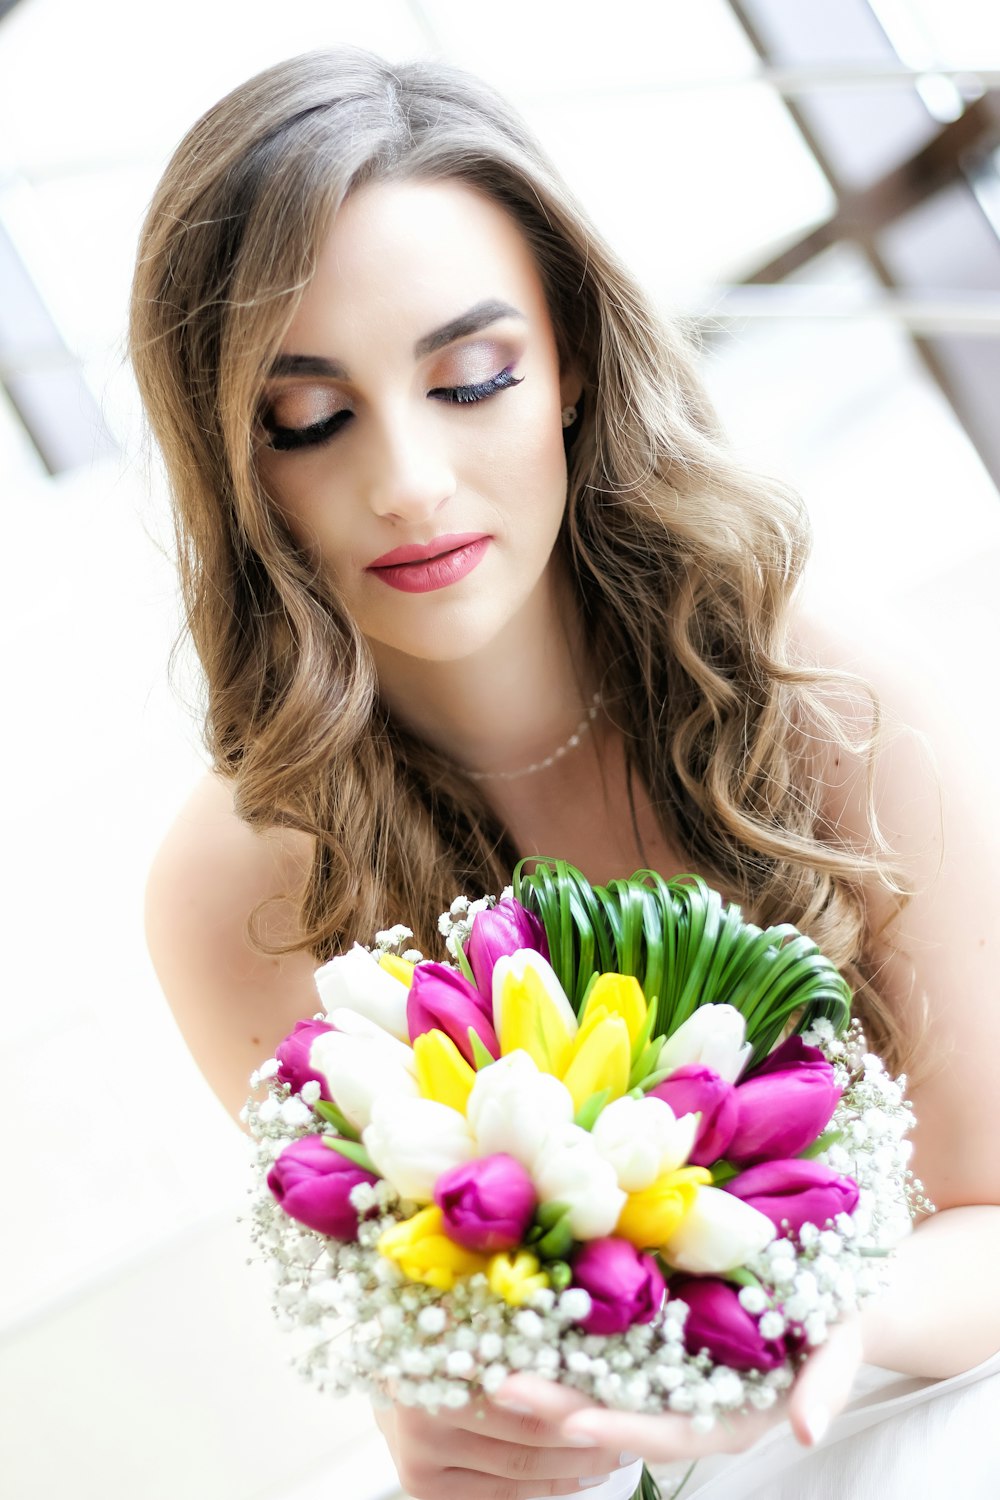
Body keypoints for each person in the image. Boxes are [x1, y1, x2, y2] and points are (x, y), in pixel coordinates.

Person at [130, 47, 1000, 1500]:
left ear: (573, 358)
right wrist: (446, 1421)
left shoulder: (826, 692)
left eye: (470, 378)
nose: (408, 478)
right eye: (311, 419)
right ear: (232, 460)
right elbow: (439, 1321)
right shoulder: (237, 884)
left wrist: (801, 1330)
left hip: (921, 1380)